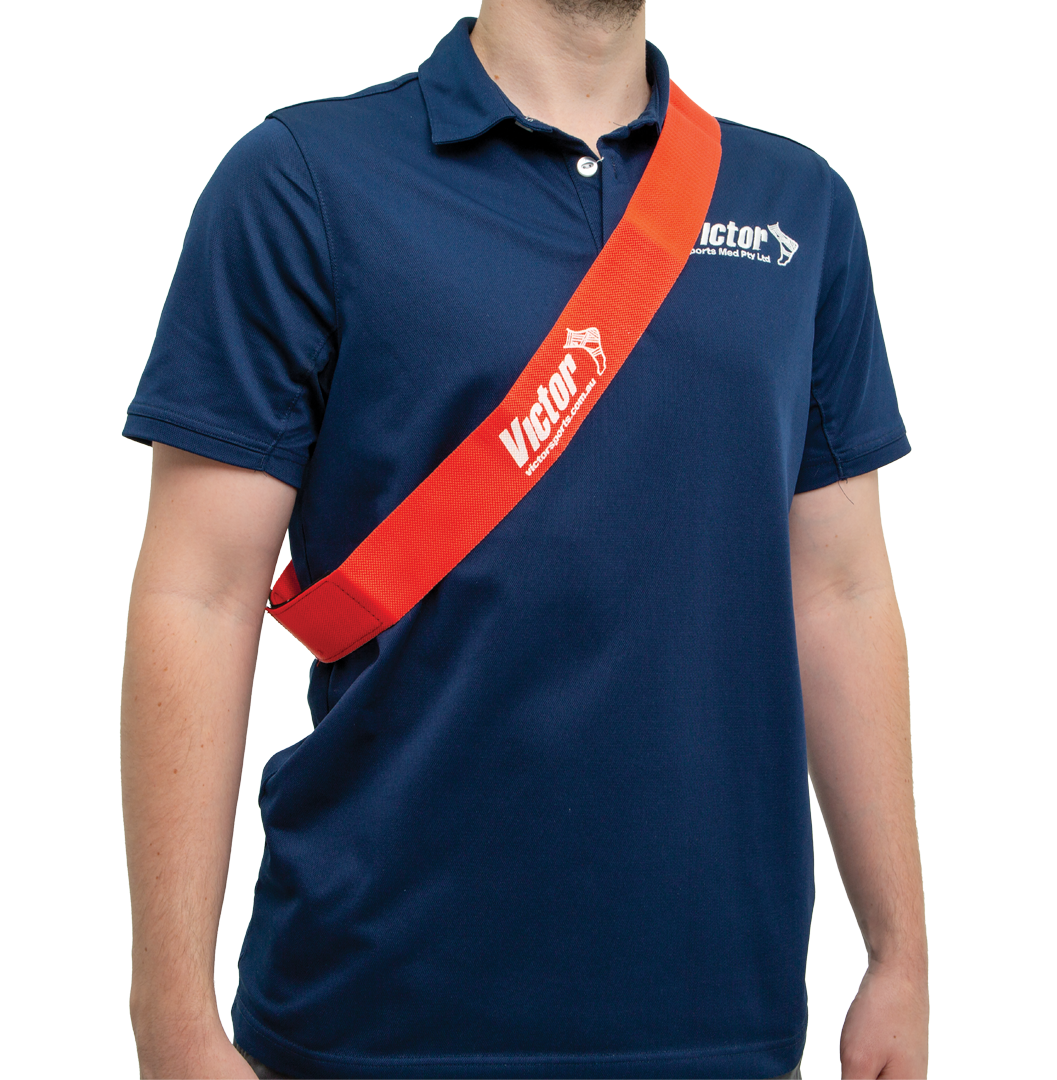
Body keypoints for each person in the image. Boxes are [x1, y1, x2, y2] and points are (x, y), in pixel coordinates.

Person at [120, 1, 928, 1077]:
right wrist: (170, 1014)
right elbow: (199, 595)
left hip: (720, 1014)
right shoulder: (302, 183)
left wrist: (901, 955)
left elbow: (841, 590)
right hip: (368, 1012)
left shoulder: (799, 206)